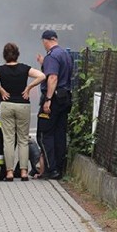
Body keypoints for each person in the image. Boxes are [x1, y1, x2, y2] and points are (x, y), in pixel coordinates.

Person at [0, 42, 45, 182]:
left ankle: (9, 172)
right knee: (23, 139)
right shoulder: (25, 69)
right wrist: (29, 87)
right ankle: (24, 172)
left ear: (4, 56)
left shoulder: (0, 70)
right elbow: (42, 76)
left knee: (9, 139)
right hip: (23, 105)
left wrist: (1, 90)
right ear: (17, 54)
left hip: (6, 105)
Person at [36, 30, 73, 180]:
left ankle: (51, 169)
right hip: (65, 98)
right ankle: (59, 167)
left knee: (44, 134)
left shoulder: (52, 56)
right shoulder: (65, 54)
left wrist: (48, 100)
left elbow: (52, 78)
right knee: (59, 133)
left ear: (46, 40)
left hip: (54, 99)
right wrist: (43, 64)